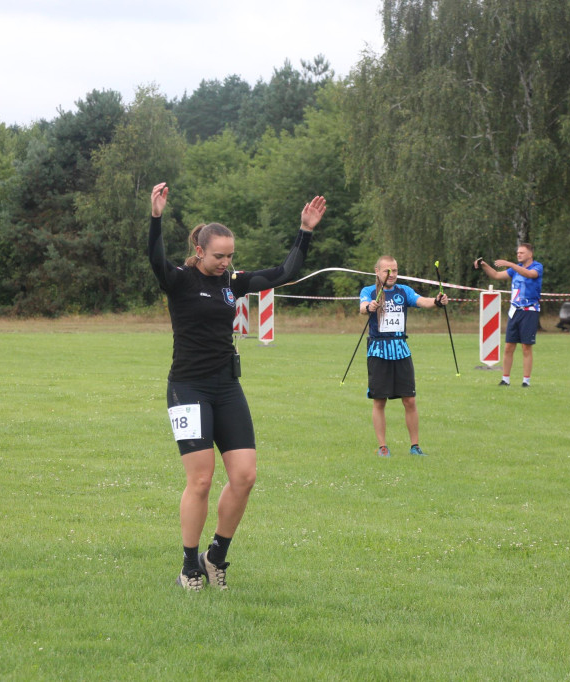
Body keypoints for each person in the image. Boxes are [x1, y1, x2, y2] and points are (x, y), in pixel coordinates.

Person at [148, 182, 326, 591]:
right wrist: (156, 218)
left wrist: (305, 230)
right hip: (188, 388)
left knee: (245, 476)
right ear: (199, 252)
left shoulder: (232, 282)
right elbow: (155, 260)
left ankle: (215, 556)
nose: (226, 263)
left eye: (230, 256)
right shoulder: (179, 280)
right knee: (201, 480)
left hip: (227, 387)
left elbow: (284, 273)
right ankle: (189, 566)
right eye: (219, 256)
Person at [359, 256, 448, 458]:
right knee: (379, 401)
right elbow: (362, 307)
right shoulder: (368, 291)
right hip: (378, 352)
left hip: (401, 351)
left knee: (410, 400)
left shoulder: (404, 291)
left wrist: (437, 301)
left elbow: (422, 301)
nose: (392, 275)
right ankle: (383, 447)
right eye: (387, 271)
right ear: (377, 271)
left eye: (395, 271)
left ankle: (415, 446)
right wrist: (369, 307)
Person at [474, 243, 544, 387]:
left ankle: (526, 381)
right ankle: (505, 379)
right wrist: (484, 265)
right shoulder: (515, 269)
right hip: (515, 311)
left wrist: (510, 264)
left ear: (530, 254)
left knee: (526, 347)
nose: (519, 254)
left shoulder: (537, 267)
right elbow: (496, 275)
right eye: (518, 252)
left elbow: (530, 274)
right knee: (508, 347)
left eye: (522, 252)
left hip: (529, 311)